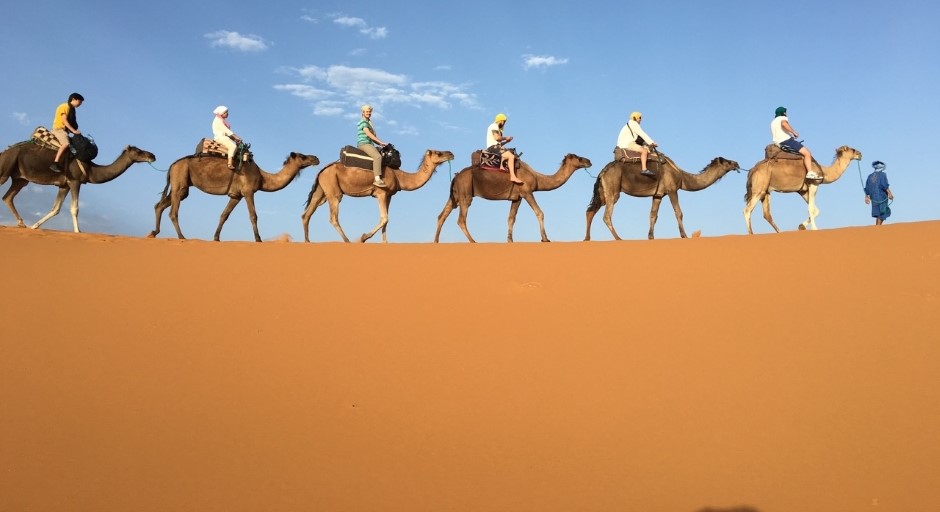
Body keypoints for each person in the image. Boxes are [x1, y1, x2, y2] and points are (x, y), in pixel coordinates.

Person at [770, 106, 822, 181]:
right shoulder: (782, 118)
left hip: (777, 142)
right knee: (807, 153)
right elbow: (784, 124)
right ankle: (810, 172)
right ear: (783, 113)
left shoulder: (773, 122)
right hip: (786, 141)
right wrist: (793, 132)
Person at [49, 92, 84, 172]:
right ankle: (55, 163)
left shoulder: (72, 109)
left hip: (65, 132)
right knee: (66, 144)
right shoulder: (64, 106)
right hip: (59, 130)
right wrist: (74, 131)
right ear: (74, 99)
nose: (80, 104)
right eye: (80, 101)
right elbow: (64, 121)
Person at [616, 111, 657, 176]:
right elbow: (642, 134)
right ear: (635, 118)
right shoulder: (634, 124)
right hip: (628, 144)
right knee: (644, 151)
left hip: (624, 143)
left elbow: (639, 138)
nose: (641, 119)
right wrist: (651, 142)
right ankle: (644, 169)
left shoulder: (629, 124)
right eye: (639, 117)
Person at [486, 113, 522, 184]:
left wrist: (506, 141)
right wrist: (506, 137)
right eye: (504, 121)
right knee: (511, 156)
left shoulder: (496, 127)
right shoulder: (494, 126)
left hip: (496, 146)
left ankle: (502, 171)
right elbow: (497, 138)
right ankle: (513, 177)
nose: (504, 123)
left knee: (507, 153)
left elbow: (499, 142)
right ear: (501, 120)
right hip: (493, 147)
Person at [358, 105, 388, 187]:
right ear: (363, 112)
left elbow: (373, 137)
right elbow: (368, 134)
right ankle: (377, 179)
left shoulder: (369, 123)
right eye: (367, 111)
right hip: (364, 143)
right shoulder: (363, 122)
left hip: (369, 144)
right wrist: (379, 142)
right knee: (377, 157)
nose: (369, 113)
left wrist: (381, 143)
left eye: (369, 112)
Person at [864, 160, 894, 226]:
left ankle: (877, 229)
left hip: (873, 198)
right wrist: (890, 194)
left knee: (879, 214)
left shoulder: (870, 176)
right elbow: (884, 185)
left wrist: (866, 197)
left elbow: (867, 188)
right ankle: (878, 229)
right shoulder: (883, 175)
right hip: (881, 197)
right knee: (882, 213)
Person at [212, 106, 242, 170]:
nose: (227, 114)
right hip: (220, 138)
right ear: (222, 113)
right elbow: (227, 131)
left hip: (223, 137)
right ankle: (230, 163)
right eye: (226, 112)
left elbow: (227, 133)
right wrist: (237, 137)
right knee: (233, 146)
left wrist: (235, 139)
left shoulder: (221, 120)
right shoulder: (218, 120)